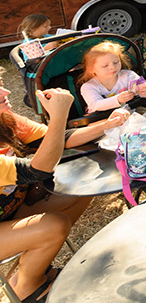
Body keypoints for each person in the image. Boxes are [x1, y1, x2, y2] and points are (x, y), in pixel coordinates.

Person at [0, 75, 129, 302]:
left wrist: (108, 124)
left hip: (9, 213)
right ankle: (25, 289)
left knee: (83, 187)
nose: (6, 93)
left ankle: (32, 270)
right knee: (54, 225)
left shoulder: (5, 119)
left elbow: (58, 138)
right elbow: (38, 171)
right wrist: (59, 115)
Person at [78, 41, 146, 117]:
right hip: (102, 119)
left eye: (116, 62)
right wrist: (118, 99)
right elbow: (95, 105)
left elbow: (143, 88)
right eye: (105, 66)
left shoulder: (128, 75)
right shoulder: (88, 87)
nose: (112, 67)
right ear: (92, 69)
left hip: (130, 113)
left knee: (145, 113)